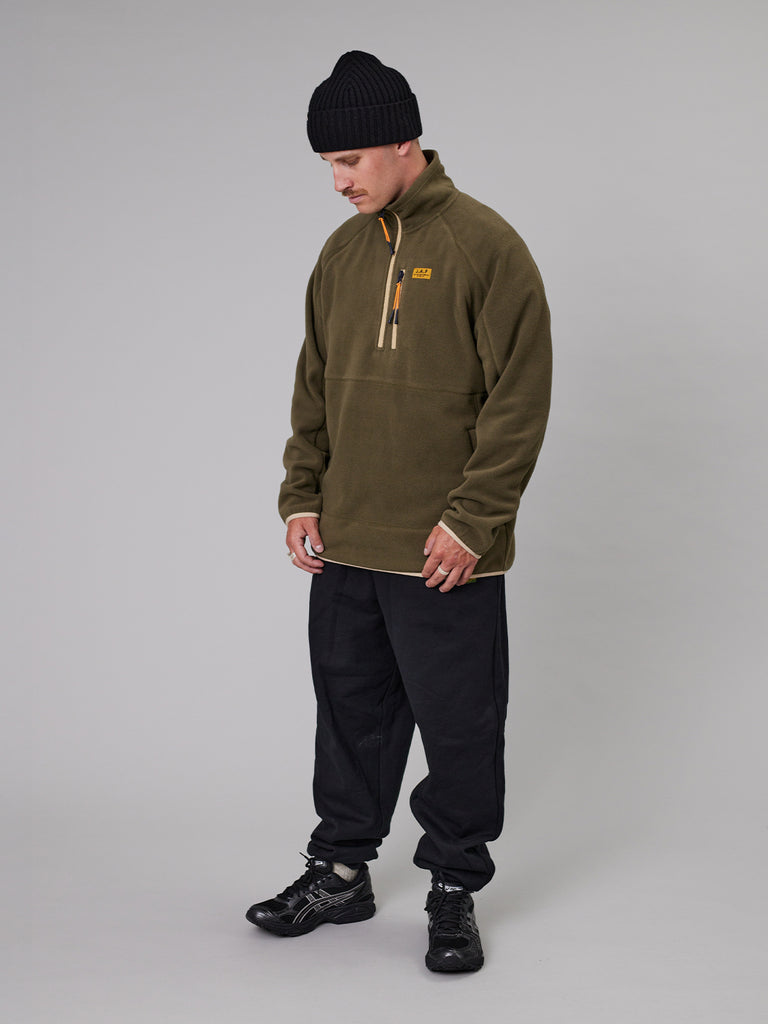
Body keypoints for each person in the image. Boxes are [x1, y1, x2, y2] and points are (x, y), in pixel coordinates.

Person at [246, 50, 552, 973]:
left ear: (403, 143)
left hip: (442, 549)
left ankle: (454, 886)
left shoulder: (485, 245)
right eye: (328, 165)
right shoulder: (341, 254)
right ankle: (341, 871)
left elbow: (519, 398)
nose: (338, 182)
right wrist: (303, 494)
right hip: (347, 541)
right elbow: (314, 388)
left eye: (349, 161)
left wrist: (473, 522)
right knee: (349, 717)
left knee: (459, 725)